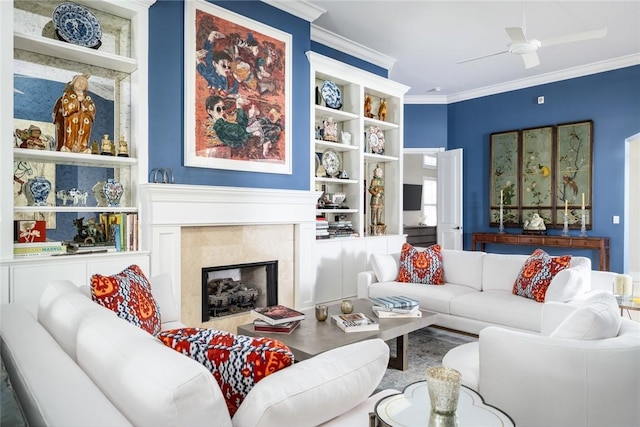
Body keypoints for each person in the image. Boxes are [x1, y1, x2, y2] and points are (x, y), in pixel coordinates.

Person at [52, 73, 95, 153]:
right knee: (70, 132)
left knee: (84, 133)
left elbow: (92, 109)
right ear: (73, 83)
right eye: (79, 82)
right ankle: (68, 146)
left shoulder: (87, 98)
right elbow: (66, 107)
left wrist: (84, 102)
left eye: (83, 83)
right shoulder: (68, 95)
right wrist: (76, 101)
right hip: (71, 120)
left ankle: (82, 148)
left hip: (84, 121)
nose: (81, 84)